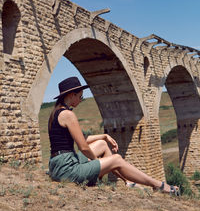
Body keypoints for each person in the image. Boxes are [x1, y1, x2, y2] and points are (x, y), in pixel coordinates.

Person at [48, 77, 179, 195]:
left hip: (59, 164)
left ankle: (127, 181)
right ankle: (157, 185)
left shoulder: (57, 112)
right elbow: (83, 146)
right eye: (80, 97)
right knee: (116, 159)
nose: (81, 100)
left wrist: (104, 136)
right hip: (67, 169)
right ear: (72, 95)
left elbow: (83, 139)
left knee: (102, 144)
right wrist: (96, 161)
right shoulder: (68, 115)